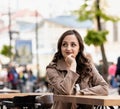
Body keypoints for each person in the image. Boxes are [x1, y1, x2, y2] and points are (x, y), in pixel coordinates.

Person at [46, 30, 109, 109]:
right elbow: (66, 90)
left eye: (73, 45)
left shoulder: (87, 65)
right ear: (60, 48)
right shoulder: (52, 69)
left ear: (79, 48)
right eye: (64, 44)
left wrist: (81, 93)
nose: (68, 48)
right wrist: (73, 65)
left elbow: (104, 87)